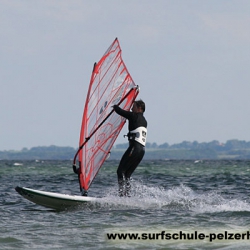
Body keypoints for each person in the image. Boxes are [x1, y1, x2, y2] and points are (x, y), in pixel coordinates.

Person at [113, 99, 147, 197]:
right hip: (141, 151)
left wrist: (113, 105)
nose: (132, 108)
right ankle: (127, 195)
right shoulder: (144, 120)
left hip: (134, 148)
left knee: (120, 171)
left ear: (139, 108)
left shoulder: (134, 116)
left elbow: (119, 111)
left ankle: (121, 195)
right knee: (127, 174)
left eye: (134, 106)